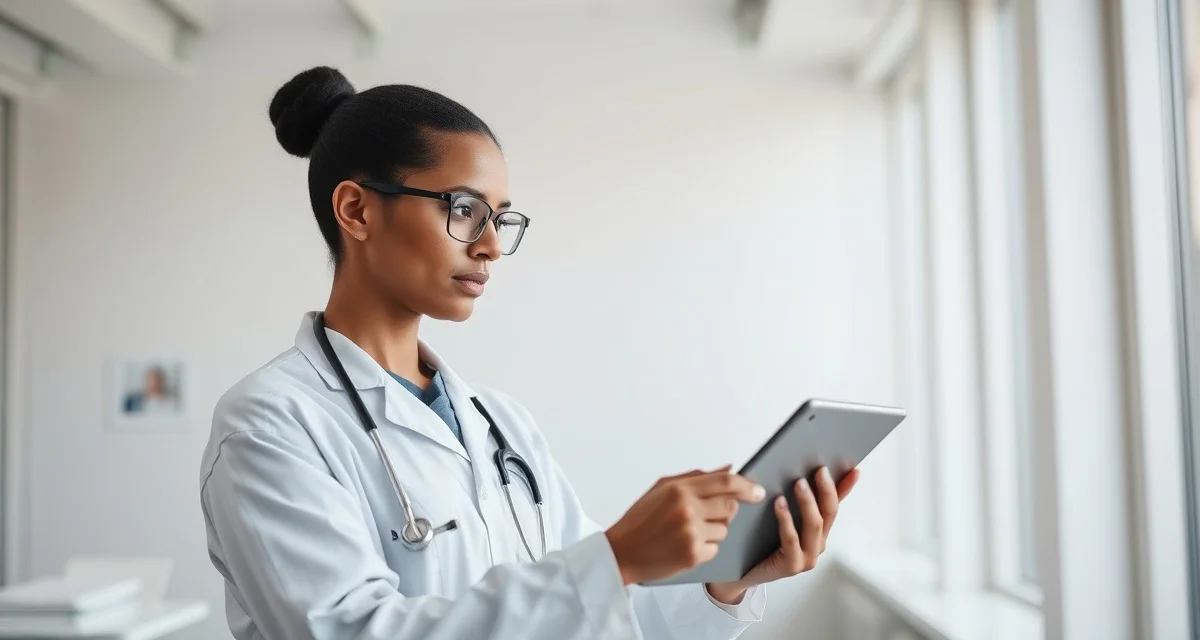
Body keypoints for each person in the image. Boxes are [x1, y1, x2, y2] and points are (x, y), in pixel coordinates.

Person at [198, 66, 861, 640]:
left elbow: (607, 617)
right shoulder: (268, 424)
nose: (488, 245)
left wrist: (724, 582)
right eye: (463, 210)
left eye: (501, 218)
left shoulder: (499, 423)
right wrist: (616, 555)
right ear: (357, 210)